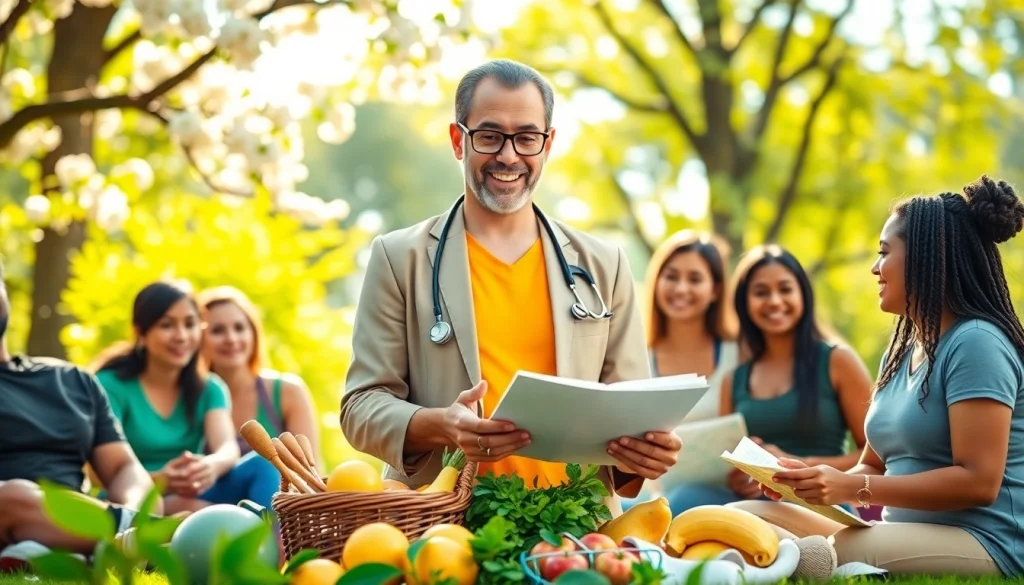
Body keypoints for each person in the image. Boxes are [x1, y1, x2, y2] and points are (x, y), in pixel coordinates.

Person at [340, 59, 681, 514]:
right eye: (489, 135)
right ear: (458, 140)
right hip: (443, 523)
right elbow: (360, 406)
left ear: (548, 144)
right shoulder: (399, 258)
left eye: (526, 137)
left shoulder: (603, 265)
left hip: (576, 526)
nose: (508, 155)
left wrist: (645, 454)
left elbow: (631, 408)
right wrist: (440, 425)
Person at [733, 176, 1024, 578]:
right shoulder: (902, 350)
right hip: (897, 531)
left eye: (884, 253)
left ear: (926, 258)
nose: (875, 267)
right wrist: (805, 481)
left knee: (825, 553)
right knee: (740, 520)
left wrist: (850, 488)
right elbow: (872, 467)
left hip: (985, 540)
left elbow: (978, 482)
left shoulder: (977, 342)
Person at [0, 259, 160, 571]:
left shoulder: (72, 381)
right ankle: (158, 536)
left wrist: (129, 510)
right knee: (11, 495)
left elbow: (123, 468)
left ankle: (102, 540)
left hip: (81, 515)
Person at [92, 281, 269, 514]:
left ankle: (284, 547)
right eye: (167, 325)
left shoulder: (210, 388)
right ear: (140, 333)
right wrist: (160, 480)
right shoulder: (110, 385)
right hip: (134, 500)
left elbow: (227, 448)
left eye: (190, 324)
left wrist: (210, 466)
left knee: (265, 463)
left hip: (195, 491)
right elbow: (96, 475)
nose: (182, 336)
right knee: (188, 510)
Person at [716, 245, 873, 508]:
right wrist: (739, 479)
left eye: (785, 289)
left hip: (820, 503)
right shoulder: (733, 380)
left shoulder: (838, 361)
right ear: (744, 303)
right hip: (755, 505)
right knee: (687, 497)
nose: (775, 301)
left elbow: (876, 458)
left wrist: (793, 465)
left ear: (804, 294)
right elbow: (729, 462)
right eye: (761, 292)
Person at [625, 230, 740, 513]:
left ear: (715, 289)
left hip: (725, 496)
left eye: (695, 279)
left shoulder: (738, 353)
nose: (680, 288)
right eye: (672, 276)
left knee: (684, 499)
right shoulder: (635, 355)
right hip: (652, 497)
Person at [197, 285, 321, 476]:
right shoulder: (193, 397)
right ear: (198, 339)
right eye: (217, 330)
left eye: (239, 328)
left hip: (278, 503)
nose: (231, 338)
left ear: (253, 333)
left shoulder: (288, 391)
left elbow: (312, 471)